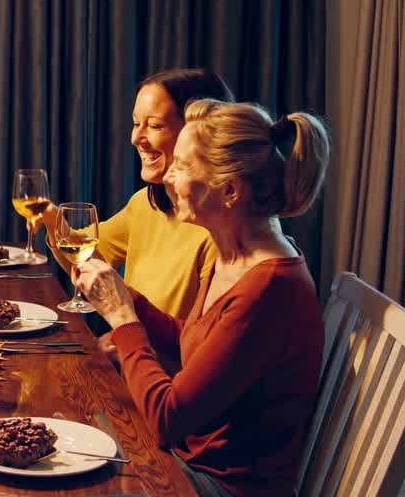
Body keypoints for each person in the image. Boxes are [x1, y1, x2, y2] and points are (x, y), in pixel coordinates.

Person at [74, 100, 328, 496]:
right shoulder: (235, 255)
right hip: (185, 461)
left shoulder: (270, 288)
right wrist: (131, 301)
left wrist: (124, 319)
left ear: (229, 190)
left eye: (184, 166)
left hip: (218, 485)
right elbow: (198, 342)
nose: (168, 176)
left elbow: (166, 418)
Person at [49, 68, 233, 323]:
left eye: (155, 125)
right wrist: (51, 219)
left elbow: (197, 343)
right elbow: (86, 256)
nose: (136, 138)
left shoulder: (220, 231)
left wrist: (121, 337)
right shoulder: (144, 204)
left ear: (198, 133)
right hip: (132, 356)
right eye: (136, 123)